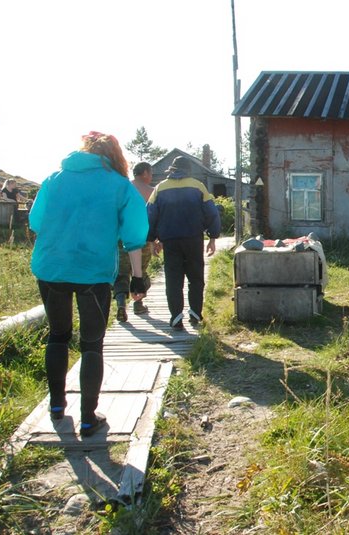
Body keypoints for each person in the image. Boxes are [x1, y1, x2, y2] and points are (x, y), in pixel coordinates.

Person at [29, 131, 148, 437]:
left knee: (57, 336)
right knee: (91, 343)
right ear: (113, 155)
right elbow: (134, 236)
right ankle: (87, 418)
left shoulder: (54, 179)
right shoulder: (119, 185)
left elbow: (36, 222)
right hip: (93, 272)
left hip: (51, 267)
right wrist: (137, 277)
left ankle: (56, 406)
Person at [147, 155, 221, 330]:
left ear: (171, 170)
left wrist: (152, 240)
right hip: (194, 240)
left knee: (173, 280)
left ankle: (176, 317)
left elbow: (150, 216)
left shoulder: (159, 188)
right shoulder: (198, 186)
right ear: (189, 170)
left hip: (170, 242)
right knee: (195, 278)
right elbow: (212, 214)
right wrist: (212, 237)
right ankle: (195, 314)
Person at [113, 162, 156, 321]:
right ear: (145, 173)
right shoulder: (151, 192)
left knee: (121, 274)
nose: (151, 177)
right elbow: (154, 218)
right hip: (142, 239)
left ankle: (121, 305)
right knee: (140, 272)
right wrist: (155, 240)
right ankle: (138, 305)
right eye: (151, 173)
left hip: (120, 239)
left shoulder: (123, 189)